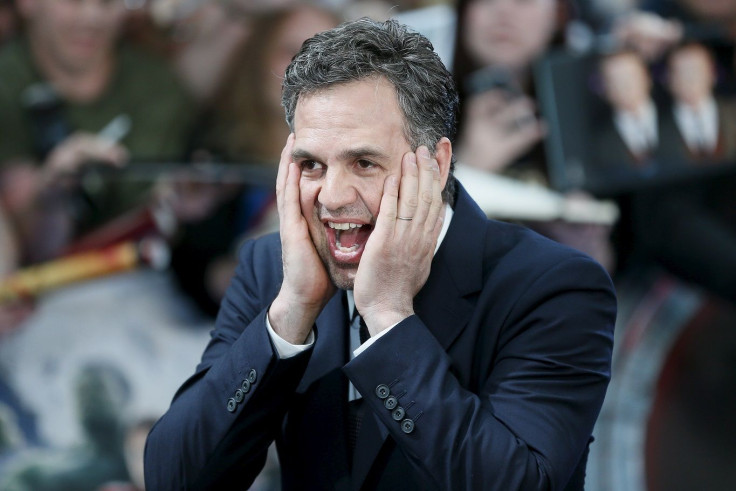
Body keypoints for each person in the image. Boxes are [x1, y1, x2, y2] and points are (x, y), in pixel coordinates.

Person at [144, 18, 616, 490]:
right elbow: (175, 480)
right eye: (311, 164)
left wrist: (389, 316)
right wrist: (289, 316)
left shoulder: (555, 285)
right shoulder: (272, 270)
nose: (331, 196)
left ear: (436, 163)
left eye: (363, 163)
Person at [0, 0, 196, 265]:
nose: (91, 18)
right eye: (73, 1)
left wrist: (183, 204)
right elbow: (33, 249)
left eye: (107, 2)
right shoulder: (7, 82)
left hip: (144, 270)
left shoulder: (157, 85)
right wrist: (54, 193)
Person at [665, 41, 736, 162]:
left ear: (712, 74)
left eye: (696, 70)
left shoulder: (733, 112)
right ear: (670, 80)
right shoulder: (658, 126)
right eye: (682, 72)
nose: (690, 79)